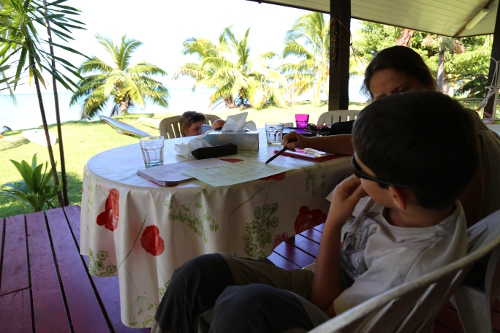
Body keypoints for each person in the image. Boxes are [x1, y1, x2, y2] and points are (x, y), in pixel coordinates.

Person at [151, 91, 477, 333]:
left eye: (359, 168)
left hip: (330, 317)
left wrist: (334, 221)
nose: (355, 173)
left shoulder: (404, 267)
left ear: (396, 194)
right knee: (199, 273)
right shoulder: (430, 196)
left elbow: (323, 304)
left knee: (243, 307)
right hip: (327, 280)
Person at [283, 45, 500, 227]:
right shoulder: (419, 125)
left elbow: (468, 225)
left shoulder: (455, 131)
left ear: (427, 84)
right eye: (382, 99)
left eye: (402, 91)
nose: (394, 105)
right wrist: (309, 141)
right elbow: (363, 144)